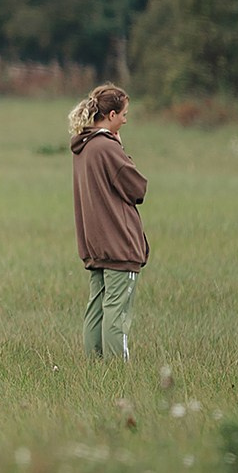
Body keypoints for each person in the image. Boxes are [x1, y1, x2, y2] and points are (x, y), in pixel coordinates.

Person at [69, 84, 147, 364]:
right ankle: (116, 371)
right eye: (124, 114)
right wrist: (121, 148)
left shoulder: (84, 146)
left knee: (97, 308)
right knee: (117, 311)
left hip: (95, 242)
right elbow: (137, 188)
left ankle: (95, 368)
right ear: (111, 114)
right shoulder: (106, 147)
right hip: (118, 243)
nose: (125, 120)